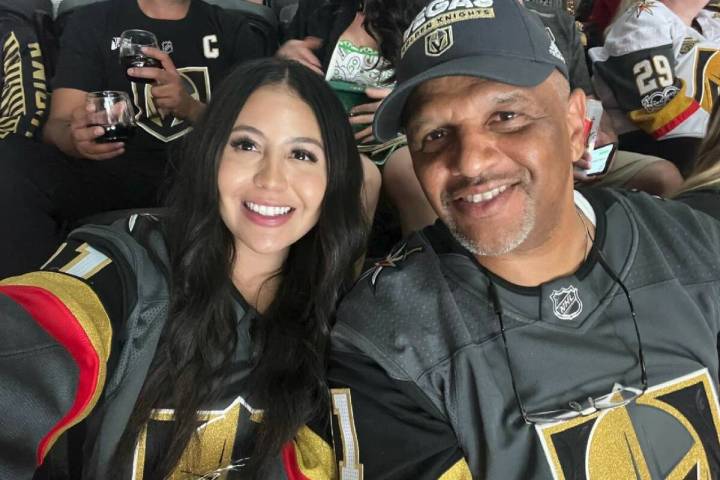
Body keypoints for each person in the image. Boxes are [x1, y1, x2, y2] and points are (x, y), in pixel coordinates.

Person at [325, 0, 720, 478]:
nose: (470, 162)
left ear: (577, 128)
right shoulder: (387, 339)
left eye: (507, 117)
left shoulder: (700, 251)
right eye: (435, 134)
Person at [0, 58, 366, 479]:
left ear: (333, 177)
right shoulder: (125, 270)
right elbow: (32, 342)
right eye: (246, 145)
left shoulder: (340, 313)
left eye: (302, 154)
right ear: (211, 154)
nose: (271, 179)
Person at [0, 0, 267, 277]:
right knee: (13, 161)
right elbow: (58, 125)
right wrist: (76, 138)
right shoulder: (93, 20)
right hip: (111, 175)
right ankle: (28, 309)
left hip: (202, 179)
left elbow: (258, 132)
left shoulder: (233, 30)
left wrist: (191, 108)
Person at [382, 0, 683, 235]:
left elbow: (588, 102)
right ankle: (436, 264)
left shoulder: (556, 20)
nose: (471, 163)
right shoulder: (442, 16)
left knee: (662, 175)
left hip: (571, 147)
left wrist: (598, 141)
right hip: (495, 148)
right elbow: (427, 101)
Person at [589, 0, 720, 174]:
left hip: (704, 151)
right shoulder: (644, 15)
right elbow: (661, 109)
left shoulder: (711, 23)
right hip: (669, 150)